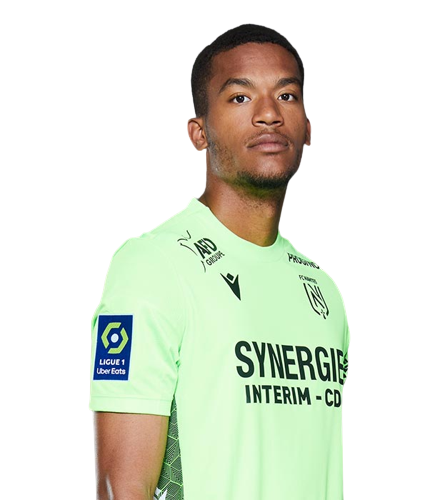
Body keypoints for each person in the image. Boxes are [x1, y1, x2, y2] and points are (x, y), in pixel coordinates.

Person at [89, 23, 350, 500]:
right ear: (198, 133)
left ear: (308, 128)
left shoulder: (324, 291)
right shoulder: (151, 266)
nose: (269, 114)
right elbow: (119, 489)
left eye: (287, 96)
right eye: (240, 97)